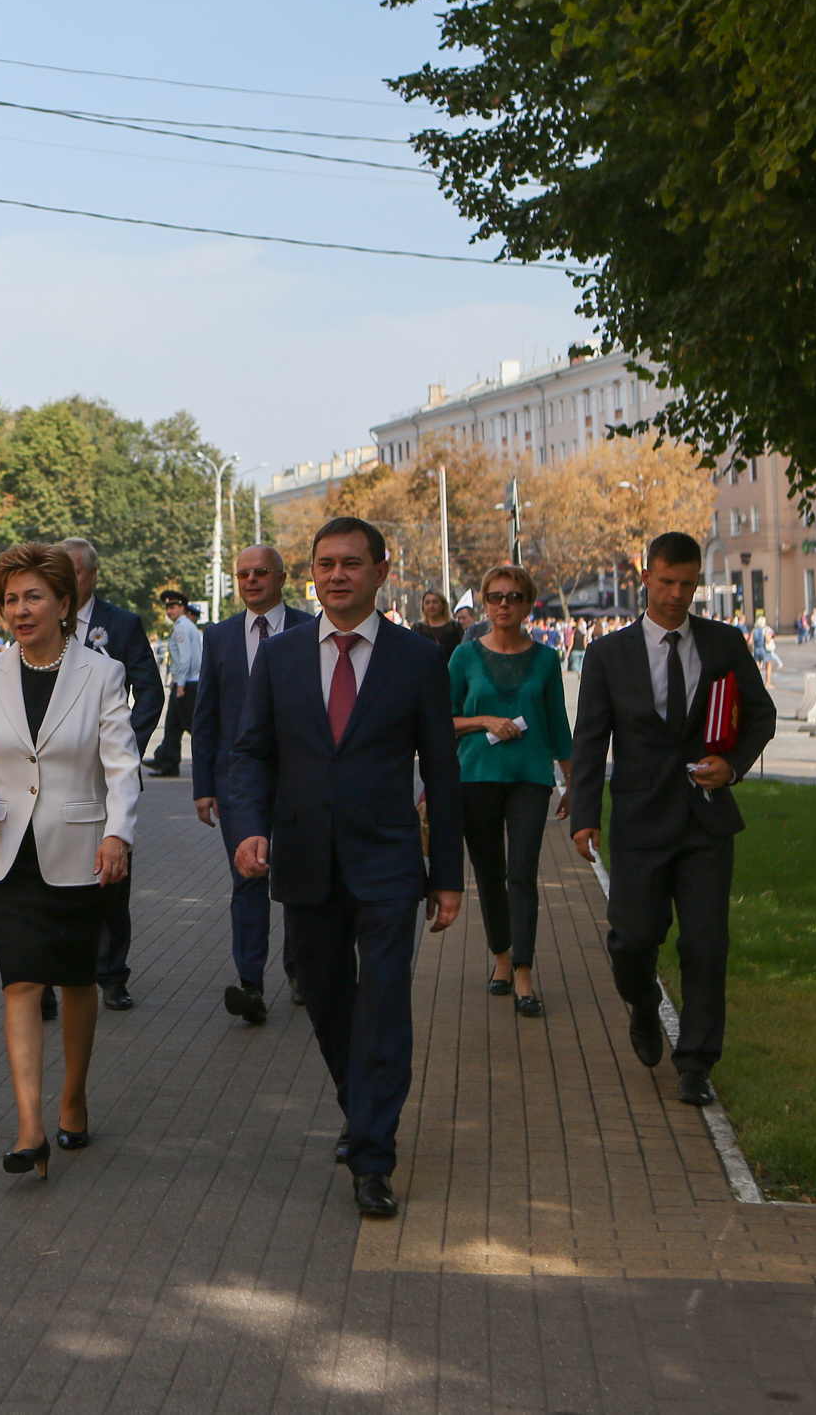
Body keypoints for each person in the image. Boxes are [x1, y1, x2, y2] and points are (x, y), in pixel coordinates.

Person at [227, 516, 464, 1219]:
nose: (337, 574)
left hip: (389, 863)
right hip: (303, 862)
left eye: (352, 563)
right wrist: (247, 827)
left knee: (385, 1004)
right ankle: (359, 1106)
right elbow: (251, 753)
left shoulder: (417, 659)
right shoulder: (281, 656)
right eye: (326, 562)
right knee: (330, 1003)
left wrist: (446, 873)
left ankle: (373, 1154)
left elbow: (443, 774)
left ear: (381, 572)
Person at [569, 532, 778, 1109]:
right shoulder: (610, 655)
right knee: (631, 941)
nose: (676, 595)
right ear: (646, 578)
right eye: (666, 582)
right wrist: (584, 816)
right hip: (639, 820)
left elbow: (761, 715)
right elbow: (590, 742)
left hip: (706, 823)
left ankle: (696, 1063)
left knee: (706, 946)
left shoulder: (724, 643)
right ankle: (642, 1004)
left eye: (687, 584)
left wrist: (732, 766)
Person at [0, 542, 139, 1179]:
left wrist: (119, 835)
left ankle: (74, 1095)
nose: (20, 609)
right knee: (21, 981)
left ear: (65, 603)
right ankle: (29, 1126)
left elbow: (122, 764)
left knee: (76, 979)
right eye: (10, 599)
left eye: (34, 596)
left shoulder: (101, 673)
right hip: (5, 854)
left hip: (80, 850)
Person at [192, 543, 312, 1025]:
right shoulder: (218, 637)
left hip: (301, 779)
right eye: (243, 574)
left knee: (300, 880)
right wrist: (204, 785)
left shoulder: (310, 629)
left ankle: (301, 972)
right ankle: (251, 983)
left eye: (261, 572)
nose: (251, 581)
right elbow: (206, 717)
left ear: (282, 577)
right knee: (248, 877)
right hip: (239, 784)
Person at [448, 564, 572, 1020]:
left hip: (530, 779)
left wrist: (572, 782)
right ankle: (500, 955)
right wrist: (483, 722)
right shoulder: (463, 657)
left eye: (514, 597)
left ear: (527, 605)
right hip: (476, 777)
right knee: (488, 875)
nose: (504, 604)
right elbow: (443, 719)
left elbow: (558, 722)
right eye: (495, 596)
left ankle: (523, 972)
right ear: (483, 603)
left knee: (521, 873)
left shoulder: (544, 658)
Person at [60, 538, 163, 1012]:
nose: (62, 579)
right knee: (46, 877)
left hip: (105, 776)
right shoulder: (42, 620)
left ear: (93, 575)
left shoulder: (121, 624)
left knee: (110, 878)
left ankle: (112, 975)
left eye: (73, 571)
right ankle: (45, 979)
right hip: (54, 775)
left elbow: (150, 690)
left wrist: (123, 749)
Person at [145, 590, 201, 777]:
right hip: (184, 682)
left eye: (173, 607)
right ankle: (167, 761)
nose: (169, 612)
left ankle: (211, 760)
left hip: (188, 684)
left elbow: (185, 658)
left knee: (193, 726)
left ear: (182, 608)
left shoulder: (182, 628)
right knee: (173, 725)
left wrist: (181, 684)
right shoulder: (186, 625)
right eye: (167, 608)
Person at [416, 592, 464, 664]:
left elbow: (462, 653)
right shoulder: (418, 629)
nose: (431, 606)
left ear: (443, 605)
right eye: (427, 603)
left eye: (435, 602)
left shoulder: (455, 627)